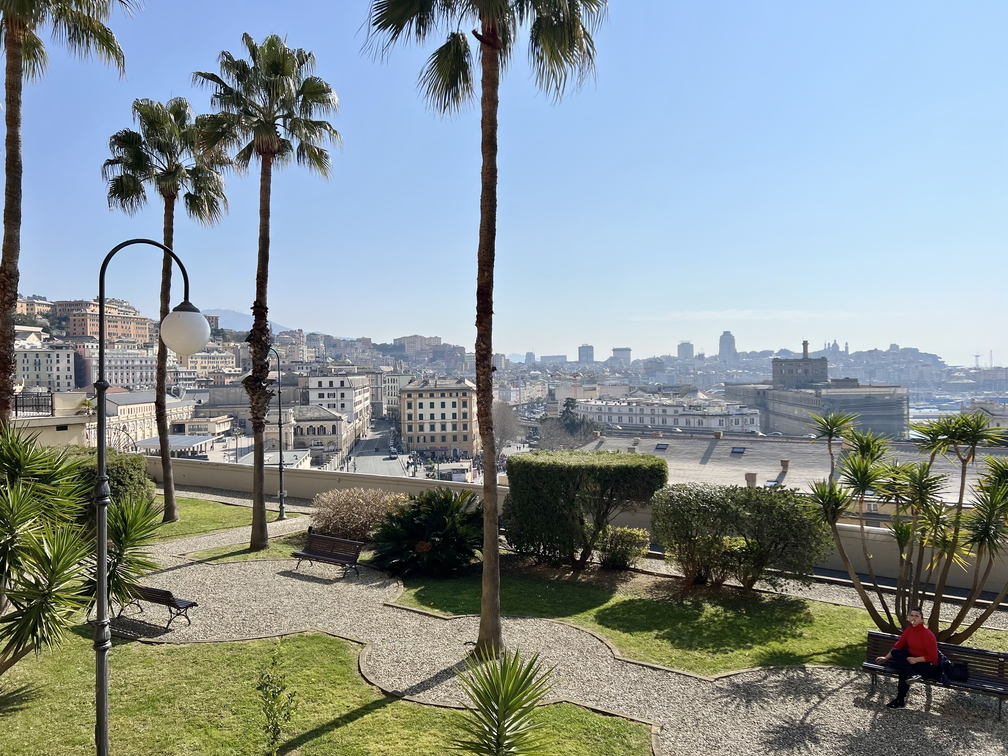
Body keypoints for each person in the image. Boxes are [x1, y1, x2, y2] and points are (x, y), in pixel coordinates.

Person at [875, 607, 940, 709]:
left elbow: (933, 656)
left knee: (904, 669)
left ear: (922, 620)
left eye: (916, 616)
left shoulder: (928, 634)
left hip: (928, 665)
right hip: (912, 662)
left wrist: (915, 660)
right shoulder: (908, 631)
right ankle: (912, 674)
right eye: (912, 615)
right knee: (897, 655)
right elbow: (898, 646)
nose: (914, 618)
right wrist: (886, 658)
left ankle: (900, 700)